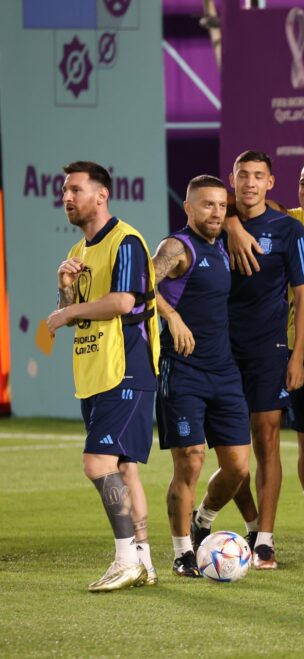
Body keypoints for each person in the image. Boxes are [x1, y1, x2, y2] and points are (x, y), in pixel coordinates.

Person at [47, 161, 160, 591]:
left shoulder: (125, 240)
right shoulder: (79, 251)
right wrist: (65, 288)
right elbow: (77, 314)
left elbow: (122, 302)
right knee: (124, 468)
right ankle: (144, 563)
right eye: (64, 191)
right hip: (97, 371)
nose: (67, 197)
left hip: (126, 368)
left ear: (101, 195)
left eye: (75, 189)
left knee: (97, 463)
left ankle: (125, 559)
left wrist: (67, 311)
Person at [150, 175, 251, 577]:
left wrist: (235, 225)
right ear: (188, 208)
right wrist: (171, 316)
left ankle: (202, 520)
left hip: (224, 372)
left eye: (222, 206)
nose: (216, 212)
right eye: (207, 205)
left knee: (238, 468)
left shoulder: (222, 245)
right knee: (190, 462)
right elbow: (140, 283)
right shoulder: (177, 247)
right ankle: (182, 553)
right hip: (184, 370)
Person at [224, 150, 304, 569]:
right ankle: (251, 523)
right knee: (231, 454)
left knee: (267, 442)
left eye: (258, 176)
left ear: (270, 182)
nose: (250, 183)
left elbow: (303, 297)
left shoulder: (289, 230)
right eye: (243, 175)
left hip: (268, 350)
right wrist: (230, 224)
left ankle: (264, 539)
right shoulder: (216, 223)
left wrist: (297, 356)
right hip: (221, 352)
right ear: (233, 179)